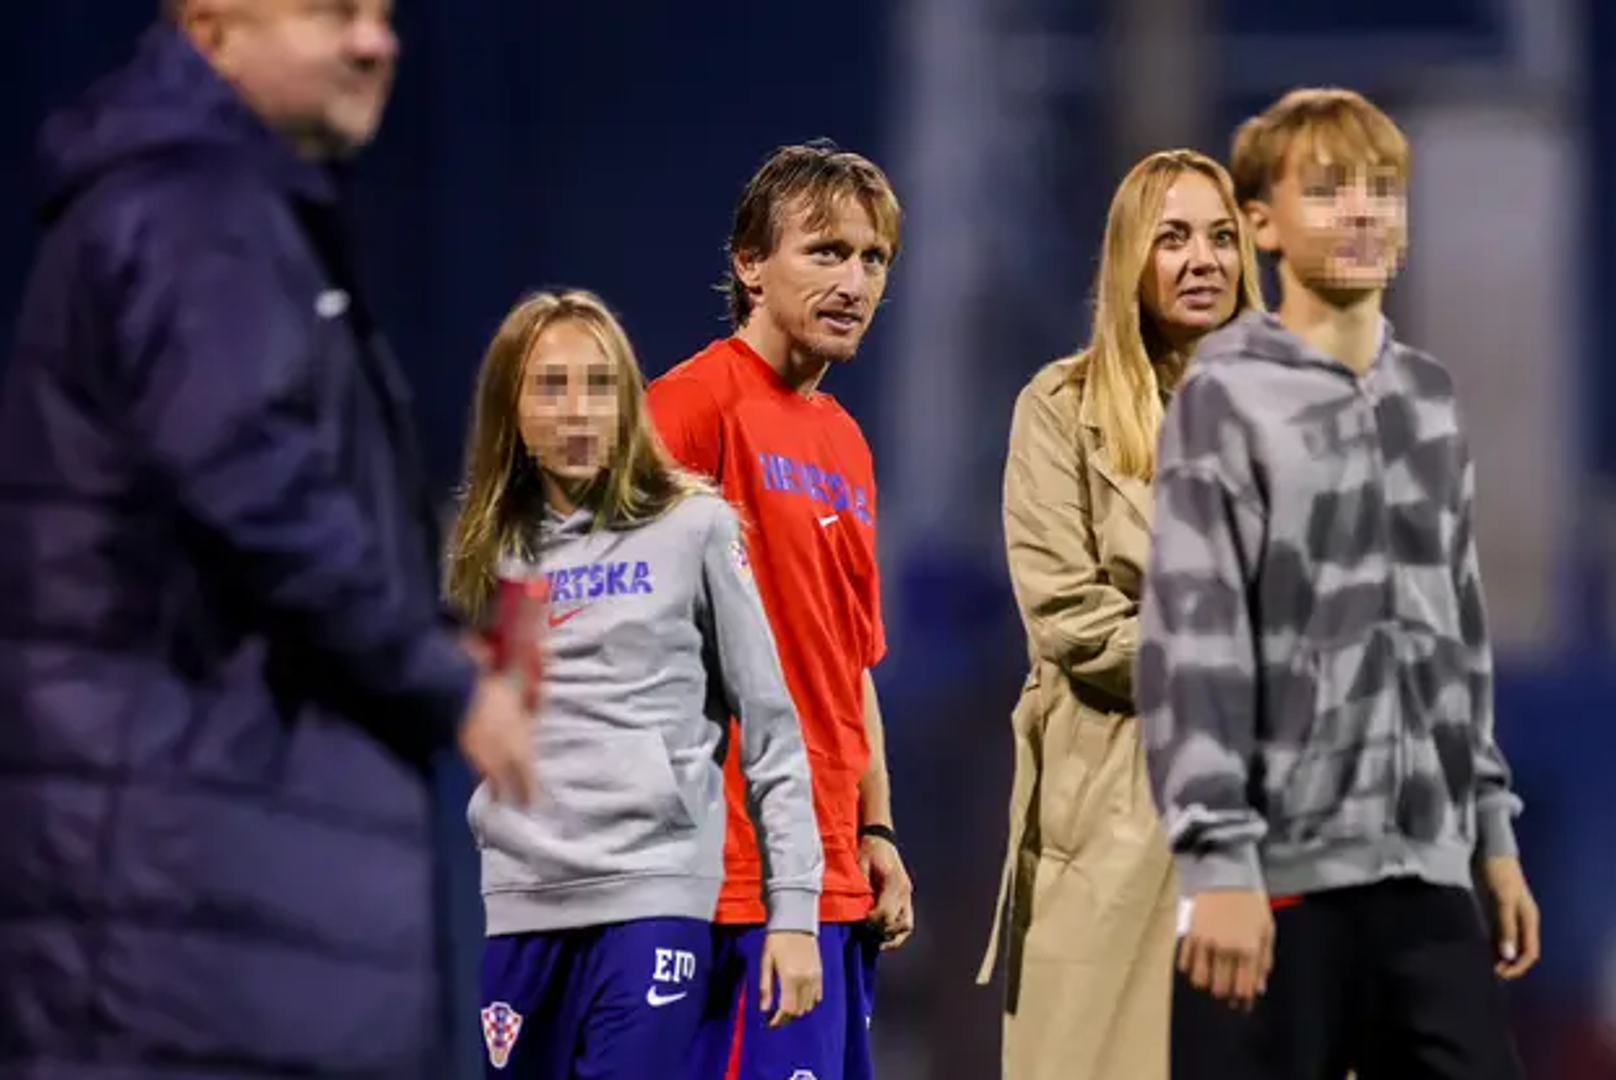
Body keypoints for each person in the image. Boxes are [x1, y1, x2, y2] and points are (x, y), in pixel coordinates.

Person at [0, 3, 534, 1077]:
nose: (376, 43)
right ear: (210, 27)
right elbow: (263, 491)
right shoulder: (198, 212)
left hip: (211, 910)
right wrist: (447, 684)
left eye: (382, 14)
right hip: (186, 925)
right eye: (331, 11)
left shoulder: (220, 207)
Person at [1138, 87, 1542, 1079]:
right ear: (1261, 224)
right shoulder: (1223, 394)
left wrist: (1490, 838)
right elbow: (1194, 642)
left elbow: (1456, 642)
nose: (1362, 211)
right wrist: (1218, 863)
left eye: (1381, 189)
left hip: (1426, 873)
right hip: (1278, 878)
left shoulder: (1427, 401)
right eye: (1326, 191)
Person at [444, 289, 826, 1078]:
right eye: (552, 385)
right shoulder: (494, 553)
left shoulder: (695, 528)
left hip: (653, 896)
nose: (579, 410)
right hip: (521, 903)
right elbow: (505, 721)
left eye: (600, 384)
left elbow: (772, 725)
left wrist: (795, 910)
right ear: (509, 408)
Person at [976, 149, 1264, 1080]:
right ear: (1128, 258)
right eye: (1172, 237)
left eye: (1221, 238)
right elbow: (1069, 616)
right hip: (1112, 803)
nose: (1203, 260)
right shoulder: (1060, 410)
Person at [646, 140, 912, 1080]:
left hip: (832, 874)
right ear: (750, 265)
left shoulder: (845, 440)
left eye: (872, 258)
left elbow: (852, 660)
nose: (855, 281)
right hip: (728, 883)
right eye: (826, 252)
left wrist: (876, 830)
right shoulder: (688, 408)